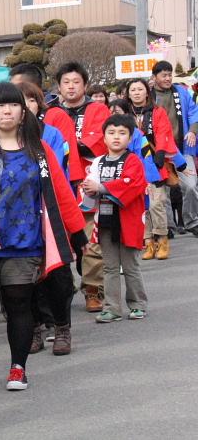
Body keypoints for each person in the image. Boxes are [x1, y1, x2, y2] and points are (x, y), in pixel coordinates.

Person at [0, 83, 83, 391]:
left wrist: (77, 233)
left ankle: (18, 366)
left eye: (13, 105)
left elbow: (60, 193)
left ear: (23, 110)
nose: (7, 111)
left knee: (19, 304)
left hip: (25, 241)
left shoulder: (39, 149)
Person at [14, 80, 77, 356]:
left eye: (29, 100)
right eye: (17, 101)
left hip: (49, 214)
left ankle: (62, 327)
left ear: (38, 104)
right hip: (16, 220)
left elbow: (61, 178)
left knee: (58, 276)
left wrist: (74, 224)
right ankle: (35, 328)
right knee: (24, 280)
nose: (23, 107)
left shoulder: (49, 136)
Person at [48, 62, 110, 313]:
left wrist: (72, 144)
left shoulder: (98, 109)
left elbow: (100, 140)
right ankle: (63, 288)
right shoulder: (51, 112)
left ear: (85, 84)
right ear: (59, 86)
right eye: (66, 82)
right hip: (58, 181)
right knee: (61, 239)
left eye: (76, 82)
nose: (71, 86)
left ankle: (93, 289)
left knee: (90, 240)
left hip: (86, 180)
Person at [82, 115, 149, 322]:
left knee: (130, 266)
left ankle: (137, 304)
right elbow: (89, 186)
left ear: (130, 138)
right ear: (104, 137)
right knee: (109, 266)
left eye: (122, 133)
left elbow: (133, 184)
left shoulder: (133, 160)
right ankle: (112, 307)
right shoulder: (98, 162)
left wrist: (101, 188)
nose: (116, 137)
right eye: (111, 133)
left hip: (128, 220)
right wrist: (89, 190)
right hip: (105, 220)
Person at [125, 79, 180, 260]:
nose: (137, 93)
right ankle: (148, 242)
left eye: (140, 89)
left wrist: (161, 152)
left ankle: (162, 239)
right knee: (143, 206)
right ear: (128, 93)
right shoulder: (125, 115)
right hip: (133, 165)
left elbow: (164, 132)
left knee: (157, 203)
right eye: (133, 90)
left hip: (154, 162)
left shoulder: (157, 112)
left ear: (147, 92)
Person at [150, 61, 198, 236]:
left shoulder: (181, 92)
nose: (168, 78)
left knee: (191, 186)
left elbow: (194, 112)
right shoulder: (149, 96)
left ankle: (192, 221)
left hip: (182, 148)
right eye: (164, 75)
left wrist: (192, 131)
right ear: (154, 77)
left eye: (170, 74)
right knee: (164, 190)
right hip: (158, 150)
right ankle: (167, 226)